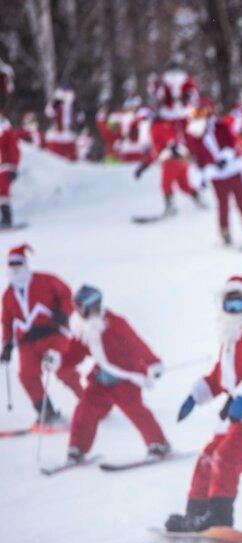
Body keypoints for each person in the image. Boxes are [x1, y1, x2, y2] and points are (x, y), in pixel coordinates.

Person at [167, 275, 242, 531]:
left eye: (238, 305)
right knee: (207, 457)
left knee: (226, 457)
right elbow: (221, 376)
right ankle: (196, 516)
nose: (232, 312)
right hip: (239, 413)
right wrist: (197, 394)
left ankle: (220, 519)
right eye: (227, 306)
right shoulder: (232, 339)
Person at [64, 285, 170, 462]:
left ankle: (159, 444)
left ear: (93, 305)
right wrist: (58, 361)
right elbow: (75, 352)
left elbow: (136, 343)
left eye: (80, 307)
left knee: (136, 411)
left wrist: (152, 363)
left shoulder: (115, 323)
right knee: (85, 409)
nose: (77, 311)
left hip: (124, 378)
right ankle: (77, 449)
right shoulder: (84, 327)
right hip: (101, 380)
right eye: (76, 307)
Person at [1, 244, 83, 428]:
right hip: (27, 342)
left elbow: (66, 294)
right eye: (11, 264)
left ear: (25, 264)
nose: (15, 268)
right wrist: (7, 344)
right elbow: (6, 321)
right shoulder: (8, 295)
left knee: (63, 369)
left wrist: (64, 312)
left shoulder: (45, 280)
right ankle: (46, 412)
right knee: (27, 375)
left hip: (52, 334)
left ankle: (89, 401)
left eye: (18, 264)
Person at [184, 105, 242, 247]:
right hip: (216, 175)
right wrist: (203, 176)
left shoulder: (220, 127)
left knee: (241, 202)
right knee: (223, 205)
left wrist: (226, 158)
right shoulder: (193, 136)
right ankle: (225, 234)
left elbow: (231, 144)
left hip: (233, 169)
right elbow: (198, 157)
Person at [135, 113, 203, 216]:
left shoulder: (156, 128)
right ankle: (199, 200)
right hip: (181, 161)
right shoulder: (165, 126)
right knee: (184, 186)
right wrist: (144, 166)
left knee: (165, 185)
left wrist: (173, 147)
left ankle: (170, 208)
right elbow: (156, 151)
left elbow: (167, 141)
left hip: (172, 161)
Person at [44, 85, 80, 161]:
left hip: (69, 134)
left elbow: (79, 117)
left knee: (72, 159)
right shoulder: (56, 103)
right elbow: (48, 113)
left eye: (67, 94)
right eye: (64, 94)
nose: (65, 96)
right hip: (57, 134)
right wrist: (54, 102)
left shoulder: (73, 104)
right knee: (55, 159)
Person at [0, 109, 19, 228]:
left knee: (2, 193)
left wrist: (13, 167)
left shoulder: (6, 131)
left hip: (5, 166)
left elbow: (14, 150)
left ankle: (7, 219)